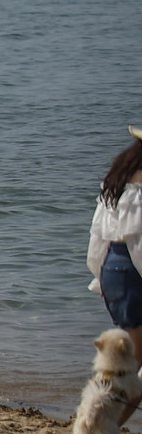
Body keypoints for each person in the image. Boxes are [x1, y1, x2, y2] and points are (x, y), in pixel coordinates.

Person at [88, 128, 142, 353]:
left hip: (112, 268)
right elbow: (138, 241)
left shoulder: (117, 182)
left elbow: (98, 236)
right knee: (136, 357)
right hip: (134, 270)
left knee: (129, 354)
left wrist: (99, 275)